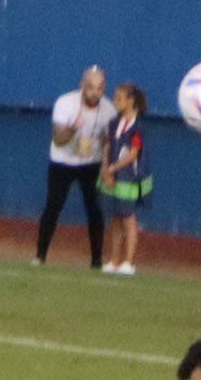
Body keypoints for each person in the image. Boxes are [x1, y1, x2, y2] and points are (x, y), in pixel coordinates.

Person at [38, 66, 115, 268]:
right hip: (62, 161)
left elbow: (109, 142)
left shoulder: (109, 110)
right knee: (53, 206)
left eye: (99, 88)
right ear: (82, 85)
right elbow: (59, 139)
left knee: (95, 210)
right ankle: (40, 256)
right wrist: (73, 128)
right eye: (90, 87)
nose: (94, 93)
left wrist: (106, 167)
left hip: (91, 163)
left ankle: (96, 261)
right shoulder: (65, 103)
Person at [99, 81, 150, 275]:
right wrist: (105, 168)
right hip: (112, 174)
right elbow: (107, 147)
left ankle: (128, 262)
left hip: (128, 177)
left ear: (131, 101)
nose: (115, 101)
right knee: (115, 219)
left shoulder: (137, 127)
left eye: (119, 98)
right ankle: (114, 260)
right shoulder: (113, 124)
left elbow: (133, 154)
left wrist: (113, 168)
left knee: (128, 219)